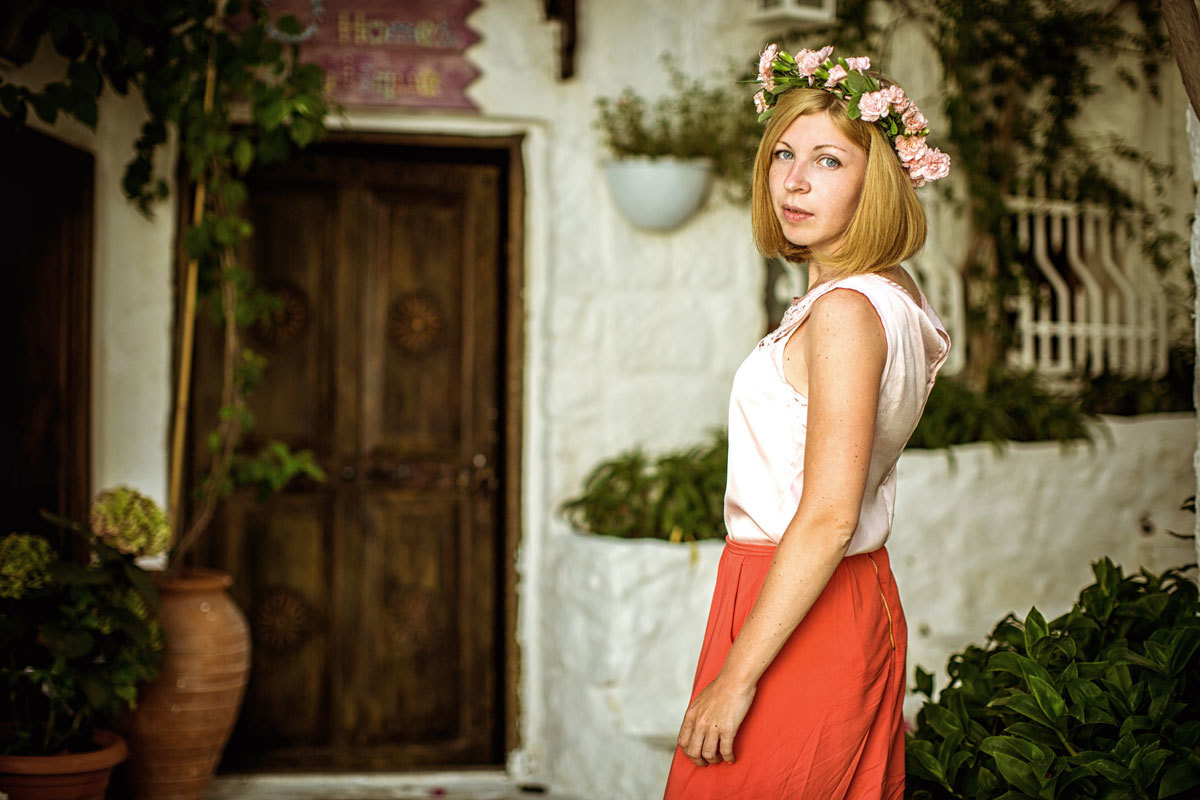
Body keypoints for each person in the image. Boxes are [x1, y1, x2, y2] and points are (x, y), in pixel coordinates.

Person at [662, 45, 953, 800]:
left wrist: (736, 679)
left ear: (876, 180)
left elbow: (827, 516)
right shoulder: (888, 292)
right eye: (784, 153)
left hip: (799, 598)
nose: (793, 179)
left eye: (829, 161)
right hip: (823, 592)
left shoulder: (847, 311)